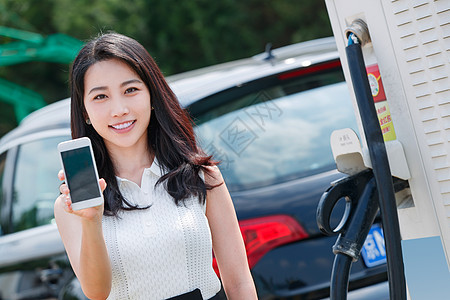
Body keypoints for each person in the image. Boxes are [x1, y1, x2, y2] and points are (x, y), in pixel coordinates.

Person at [54, 33, 258, 300]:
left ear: (151, 95)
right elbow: (97, 292)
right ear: (84, 112)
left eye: (130, 90)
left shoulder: (201, 176)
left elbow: (239, 281)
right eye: (100, 96)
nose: (119, 109)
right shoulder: (73, 206)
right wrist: (92, 220)